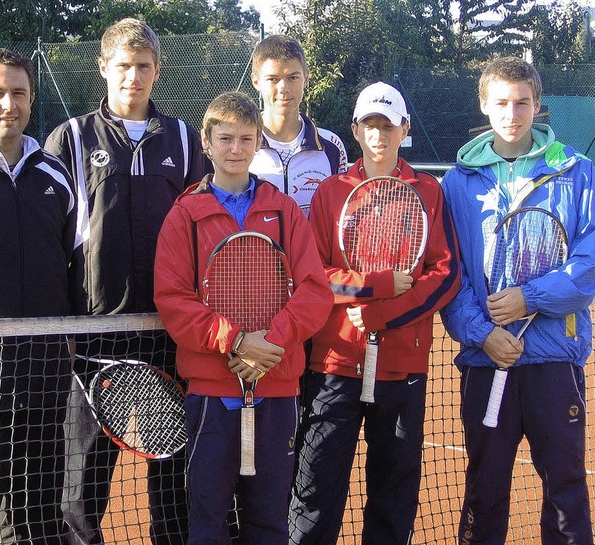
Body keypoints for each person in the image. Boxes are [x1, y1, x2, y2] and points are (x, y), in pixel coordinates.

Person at [44, 18, 208, 545]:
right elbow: (52, 240)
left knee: (173, 476)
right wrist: (64, 327)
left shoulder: (184, 139)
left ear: (157, 71)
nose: (132, 76)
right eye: (123, 65)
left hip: (169, 331)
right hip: (95, 337)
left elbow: (203, 229)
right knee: (84, 483)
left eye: (142, 66)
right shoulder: (69, 138)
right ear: (103, 68)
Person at [154, 91, 333, 545]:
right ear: (207, 143)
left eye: (246, 139)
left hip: (276, 387)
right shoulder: (184, 216)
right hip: (212, 395)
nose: (236, 148)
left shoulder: (284, 209)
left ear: (258, 144)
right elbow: (173, 299)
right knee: (208, 524)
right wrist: (235, 342)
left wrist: (269, 344)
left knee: (269, 523)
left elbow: (315, 290)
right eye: (225, 138)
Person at [289, 81, 461, 545]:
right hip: (335, 364)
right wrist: (374, 287)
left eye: (388, 125)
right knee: (316, 488)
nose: (379, 135)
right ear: (356, 131)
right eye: (370, 125)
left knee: (392, 494)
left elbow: (445, 274)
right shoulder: (330, 193)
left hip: (402, 368)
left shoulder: (429, 191)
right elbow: (314, 275)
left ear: (404, 129)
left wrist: (387, 315)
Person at [440, 56, 595, 545]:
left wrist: (530, 298)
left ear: (537, 106)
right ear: (484, 106)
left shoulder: (577, 173)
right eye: (502, 103)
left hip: (553, 361)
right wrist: (484, 334)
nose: (513, 113)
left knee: (566, 488)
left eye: (523, 102)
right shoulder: (456, 183)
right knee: (484, 491)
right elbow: (450, 275)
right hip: (487, 362)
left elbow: (590, 261)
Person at [0, 46, 77, 544]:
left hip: (44, 376)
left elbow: (75, 266)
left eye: (19, 93)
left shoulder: (58, 176)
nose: (10, 104)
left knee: (37, 517)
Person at [249, 34, 348, 217]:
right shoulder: (239, 146)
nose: (283, 88)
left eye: (292, 77)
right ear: (256, 81)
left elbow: (337, 216)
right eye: (273, 79)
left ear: (306, 78)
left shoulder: (332, 145)